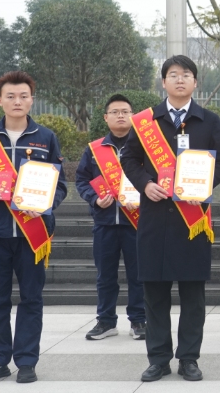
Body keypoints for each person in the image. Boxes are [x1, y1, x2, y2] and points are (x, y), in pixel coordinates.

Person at [121, 55, 220, 383]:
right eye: (173, 75)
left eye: (186, 75)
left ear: (195, 82)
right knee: (154, 294)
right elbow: (129, 159)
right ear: (163, 82)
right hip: (155, 220)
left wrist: (202, 186)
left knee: (193, 296)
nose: (180, 80)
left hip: (192, 221)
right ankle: (158, 359)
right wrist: (145, 184)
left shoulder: (209, 121)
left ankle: (188, 359)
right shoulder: (146, 121)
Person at [0, 71, 69, 385]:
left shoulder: (46, 137)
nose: (17, 101)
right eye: (10, 96)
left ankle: (26, 361)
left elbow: (60, 184)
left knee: (31, 299)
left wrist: (46, 203)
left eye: (23, 96)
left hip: (32, 232)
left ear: (32, 99)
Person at [75, 94, 146, 342]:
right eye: (115, 112)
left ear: (133, 116)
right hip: (105, 222)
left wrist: (143, 197)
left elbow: (156, 178)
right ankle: (106, 321)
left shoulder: (143, 148)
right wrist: (94, 199)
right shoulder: (95, 149)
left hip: (136, 222)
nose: (120, 116)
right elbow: (82, 180)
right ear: (106, 118)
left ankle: (139, 320)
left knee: (138, 275)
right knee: (105, 276)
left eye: (125, 111)